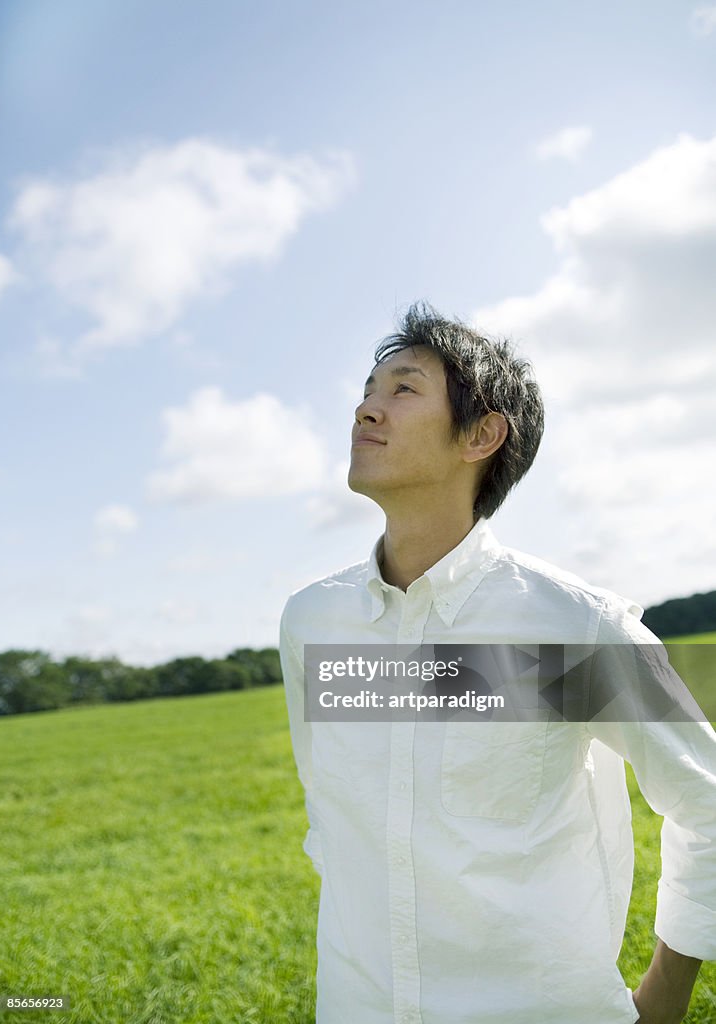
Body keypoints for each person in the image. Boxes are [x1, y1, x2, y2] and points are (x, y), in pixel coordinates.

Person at [279, 302, 716, 1024]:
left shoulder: (575, 626)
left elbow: (706, 799)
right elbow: (329, 817)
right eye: (367, 388)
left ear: (481, 435)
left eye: (403, 389)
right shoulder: (314, 622)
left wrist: (663, 1002)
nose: (366, 408)